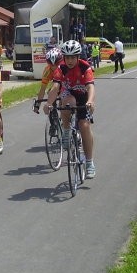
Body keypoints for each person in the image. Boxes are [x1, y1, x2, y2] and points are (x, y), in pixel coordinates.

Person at [42, 40, 96, 178]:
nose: (70, 60)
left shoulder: (85, 67)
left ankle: (89, 162)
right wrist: (48, 103)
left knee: (84, 126)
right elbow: (55, 88)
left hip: (83, 95)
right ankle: (66, 131)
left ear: (78, 57)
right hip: (69, 93)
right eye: (67, 57)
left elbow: (90, 86)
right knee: (66, 104)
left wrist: (90, 101)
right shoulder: (61, 68)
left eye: (73, 57)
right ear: (64, 58)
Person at [33, 47, 62, 113]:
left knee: (63, 98)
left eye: (57, 64)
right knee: (50, 93)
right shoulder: (47, 71)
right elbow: (42, 89)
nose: (54, 67)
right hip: (56, 85)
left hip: (65, 84)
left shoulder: (65, 68)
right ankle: (53, 112)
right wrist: (38, 105)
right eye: (51, 64)